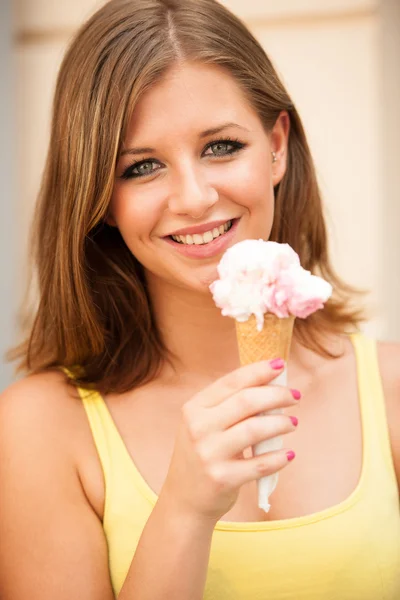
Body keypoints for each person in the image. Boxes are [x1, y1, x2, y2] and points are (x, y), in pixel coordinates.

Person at [1, 0, 399, 598]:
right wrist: (184, 510)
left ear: (276, 147)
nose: (192, 197)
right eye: (141, 167)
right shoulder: (36, 430)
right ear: (100, 197)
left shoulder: (391, 390)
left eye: (220, 147)